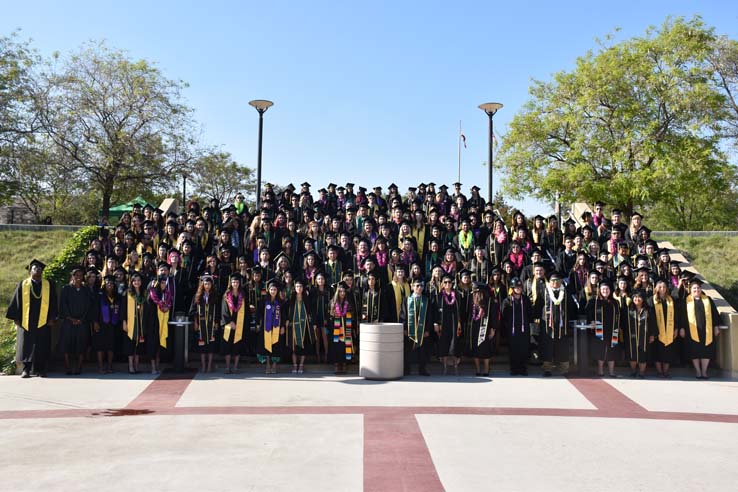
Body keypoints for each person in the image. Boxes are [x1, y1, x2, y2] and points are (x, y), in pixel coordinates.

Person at [5, 259, 58, 378]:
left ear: (42, 271)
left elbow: (53, 302)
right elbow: (16, 301)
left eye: (39, 268)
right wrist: (16, 318)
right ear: (30, 271)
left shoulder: (48, 284)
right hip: (26, 320)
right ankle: (26, 369)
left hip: (43, 320)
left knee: (42, 344)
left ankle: (41, 369)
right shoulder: (23, 284)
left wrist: (52, 317)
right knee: (26, 345)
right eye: (34, 268)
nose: (37, 269)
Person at [681, 278, 723, 379]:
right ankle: (698, 372)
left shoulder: (708, 300)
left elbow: (714, 314)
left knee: (706, 351)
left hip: (706, 330)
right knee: (694, 351)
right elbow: (682, 316)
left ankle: (704, 372)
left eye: (698, 288)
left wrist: (716, 326)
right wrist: (681, 328)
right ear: (690, 290)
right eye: (694, 288)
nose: (696, 290)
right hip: (692, 330)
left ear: (701, 289)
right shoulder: (686, 301)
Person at [59, 267, 96, 375]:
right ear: (72, 276)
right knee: (66, 344)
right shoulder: (66, 289)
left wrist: (82, 319)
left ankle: (79, 367)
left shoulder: (86, 290)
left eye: (80, 275)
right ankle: (67, 367)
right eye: (76, 275)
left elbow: (89, 306)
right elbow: (63, 305)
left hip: (82, 322)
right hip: (68, 322)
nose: (78, 277)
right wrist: (70, 318)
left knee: (81, 344)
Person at [539, 272, 574, 376]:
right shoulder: (544, 292)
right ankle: (547, 369)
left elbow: (570, 307)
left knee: (562, 346)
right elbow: (538, 304)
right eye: (553, 281)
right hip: (547, 324)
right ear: (549, 283)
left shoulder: (565, 293)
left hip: (562, 324)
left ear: (561, 282)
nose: (555, 283)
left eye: (557, 281)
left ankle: (564, 369)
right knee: (548, 346)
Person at [586, 280, 622, 378]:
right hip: (599, 329)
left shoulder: (615, 302)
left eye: (607, 289)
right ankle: (600, 371)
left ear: (610, 290)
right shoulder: (594, 301)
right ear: (599, 290)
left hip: (612, 329)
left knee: (612, 349)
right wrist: (592, 320)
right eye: (603, 289)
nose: (605, 291)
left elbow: (620, 315)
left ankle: (611, 372)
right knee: (600, 349)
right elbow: (588, 313)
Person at [147, 263, 174, 374]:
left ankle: (157, 366)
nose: (163, 285)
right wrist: (161, 304)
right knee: (153, 344)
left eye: (164, 283)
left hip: (162, 322)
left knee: (159, 344)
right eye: (161, 283)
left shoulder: (166, 293)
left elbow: (169, 303)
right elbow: (150, 302)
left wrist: (166, 306)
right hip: (153, 322)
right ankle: (153, 367)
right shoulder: (153, 293)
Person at [502, 277, 533, 376]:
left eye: (519, 287)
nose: (518, 289)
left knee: (524, 348)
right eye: (516, 287)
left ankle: (523, 368)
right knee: (513, 349)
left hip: (524, 328)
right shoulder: (507, 300)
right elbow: (504, 315)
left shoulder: (526, 299)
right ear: (512, 288)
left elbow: (529, 313)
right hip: (512, 329)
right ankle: (514, 368)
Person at [190, 275, 220, 373]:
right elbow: (192, 311)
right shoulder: (197, 296)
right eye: (205, 284)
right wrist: (195, 322)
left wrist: (216, 322)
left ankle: (209, 365)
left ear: (212, 285)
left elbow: (218, 311)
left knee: (211, 345)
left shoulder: (215, 296)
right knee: (202, 345)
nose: (207, 286)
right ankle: (203, 365)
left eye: (209, 284)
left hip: (211, 324)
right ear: (202, 284)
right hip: (201, 324)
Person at [649, 280, 679, 378]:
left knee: (668, 352)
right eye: (660, 287)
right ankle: (659, 372)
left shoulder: (672, 300)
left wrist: (676, 329)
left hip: (669, 331)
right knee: (657, 352)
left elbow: (676, 316)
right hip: (656, 331)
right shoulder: (650, 300)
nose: (662, 289)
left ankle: (666, 372)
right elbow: (650, 317)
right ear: (656, 288)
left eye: (664, 287)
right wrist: (652, 332)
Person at [404, 278, 433, 376]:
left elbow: (429, 316)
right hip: (410, 330)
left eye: (421, 286)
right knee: (408, 351)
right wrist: (404, 329)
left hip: (422, 330)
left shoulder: (426, 301)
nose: (419, 288)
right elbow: (403, 315)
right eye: (417, 286)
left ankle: (422, 369)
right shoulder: (407, 300)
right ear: (412, 287)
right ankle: (406, 369)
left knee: (422, 351)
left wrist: (427, 330)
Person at [624, 290, 656, 378]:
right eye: (635, 297)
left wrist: (653, 334)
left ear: (643, 299)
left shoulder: (648, 310)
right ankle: (633, 371)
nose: (637, 299)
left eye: (639, 297)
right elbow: (624, 324)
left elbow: (653, 323)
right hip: (631, 336)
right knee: (632, 353)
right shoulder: (628, 310)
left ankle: (642, 372)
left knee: (643, 353)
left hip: (644, 336)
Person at [93, 275, 122, 374]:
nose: (109, 284)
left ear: (114, 284)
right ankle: (100, 367)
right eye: (107, 282)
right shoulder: (99, 295)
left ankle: (109, 366)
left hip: (113, 324)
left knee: (111, 346)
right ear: (104, 284)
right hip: (101, 323)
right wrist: (95, 322)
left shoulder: (118, 296)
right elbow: (95, 309)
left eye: (111, 283)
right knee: (100, 346)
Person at [286, 278, 314, 374]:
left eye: (301, 286)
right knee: (294, 347)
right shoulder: (291, 298)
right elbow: (287, 312)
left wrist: (312, 323)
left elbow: (310, 312)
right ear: (295, 287)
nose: (299, 288)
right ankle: (294, 365)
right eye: (297, 286)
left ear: (303, 288)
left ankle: (301, 365)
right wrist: (287, 320)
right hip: (293, 326)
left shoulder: (307, 299)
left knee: (303, 345)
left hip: (304, 326)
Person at [469, 282, 497, 376]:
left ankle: (486, 369)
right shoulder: (471, 301)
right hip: (473, 329)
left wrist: (493, 329)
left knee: (485, 349)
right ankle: (477, 369)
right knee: (475, 350)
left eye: (477, 292)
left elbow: (494, 316)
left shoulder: (489, 302)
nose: (475, 294)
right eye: (474, 292)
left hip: (485, 328)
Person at [221, 273, 247, 373]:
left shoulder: (243, 295)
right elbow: (224, 310)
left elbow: (246, 311)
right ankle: (227, 367)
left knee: (237, 345)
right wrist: (229, 322)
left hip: (239, 324)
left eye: (236, 282)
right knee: (227, 345)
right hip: (228, 324)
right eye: (233, 282)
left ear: (239, 283)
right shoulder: (226, 295)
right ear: (230, 283)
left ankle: (235, 367)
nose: (235, 283)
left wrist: (242, 323)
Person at [435, 274, 461, 375]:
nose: (447, 284)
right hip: (443, 323)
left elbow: (460, 310)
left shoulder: (457, 294)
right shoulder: (439, 296)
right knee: (444, 344)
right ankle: (445, 367)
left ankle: (455, 367)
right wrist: (436, 323)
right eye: (445, 282)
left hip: (454, 322)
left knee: (454, 344)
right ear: (442, 284)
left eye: (449, 282)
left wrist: (459, 322)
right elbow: (435, 310)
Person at [329, 281, 358, 375]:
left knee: (346, 345)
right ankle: (337, 364)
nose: (342, 293)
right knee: (337, 345)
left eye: (344, 291)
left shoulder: (348, 303)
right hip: (336, 328)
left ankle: (345, 363)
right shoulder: (332, 303)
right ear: (337, 292)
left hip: (346, 327)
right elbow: (329, 316)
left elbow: (352, 315)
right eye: (340, 291)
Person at [257, 279, 284, 374]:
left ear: (277, 291)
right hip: (266, 328)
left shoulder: (280, 302)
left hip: (277, 327)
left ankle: (274, 365)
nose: (273, 291)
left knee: (276, 345)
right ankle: (268, 364)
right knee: (267, 344)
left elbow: (283, 315)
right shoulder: (263, 301)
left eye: (275, 289)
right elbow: (259, 314)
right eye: (271, 289)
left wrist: (283, 327)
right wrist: (258, 324)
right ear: (268, 290)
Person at [122, 272, 147, 374]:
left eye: (139, 280)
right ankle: (131, 366)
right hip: (130, 323)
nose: (137, 282)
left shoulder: (144, 293)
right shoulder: (127, 293)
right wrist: (124, 322)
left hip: (140, 322)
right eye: (134, 280)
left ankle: (137, 366)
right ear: (131, 282)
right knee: (130, 345)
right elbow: (123, 309)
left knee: (139, 345)